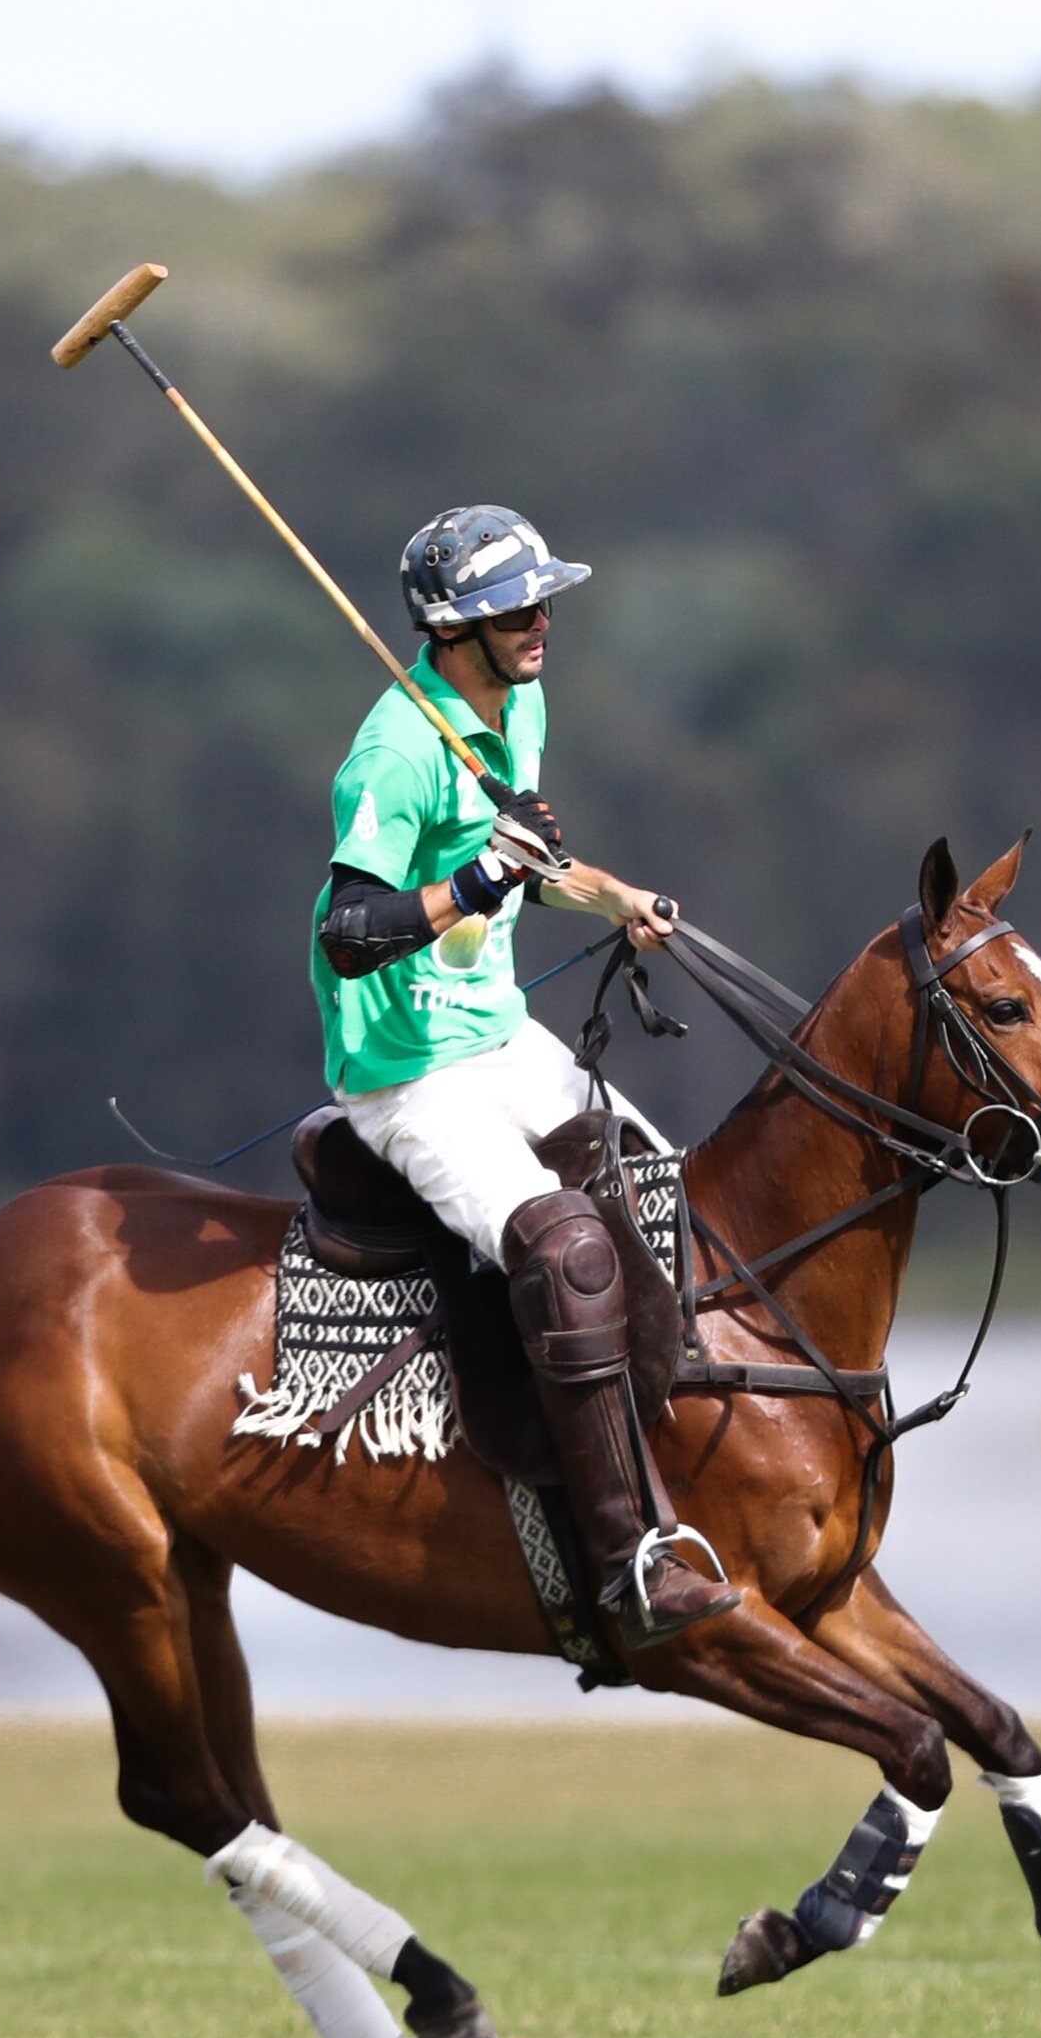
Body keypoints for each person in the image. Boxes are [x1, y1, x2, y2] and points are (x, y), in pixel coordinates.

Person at [311, 504, 738, 1649]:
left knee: (660, 1191)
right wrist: (478, 881)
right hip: (407, 1071)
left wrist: (611, 897)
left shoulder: (520, 700)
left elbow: (528, 859)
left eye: (544, 600)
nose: (542, 622)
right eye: (516, 609)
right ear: (457, 630)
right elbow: (349, 929)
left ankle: (699, 1468)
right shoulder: (394, 751)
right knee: (565, 1246)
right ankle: (622, 1556)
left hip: (499, 1033)